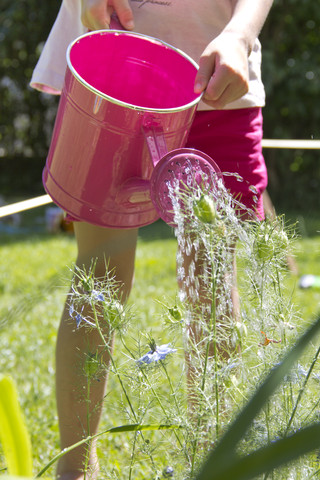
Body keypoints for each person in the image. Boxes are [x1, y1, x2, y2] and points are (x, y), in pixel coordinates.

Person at [30, 1, 274, 478]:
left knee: (211, 278)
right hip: (113, 80)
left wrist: (241, 34)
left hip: (218, 85)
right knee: (99, 279)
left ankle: (213, 461)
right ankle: (75, 470)